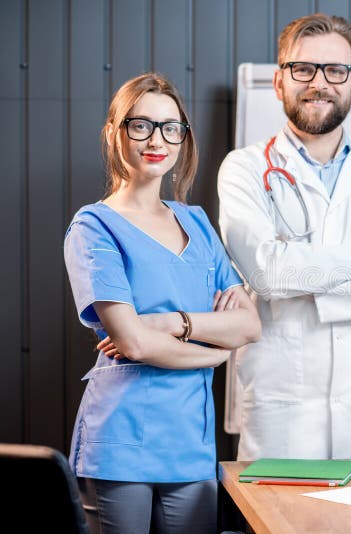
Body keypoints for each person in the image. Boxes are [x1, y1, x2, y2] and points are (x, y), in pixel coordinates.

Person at [217, 13, 351, 460]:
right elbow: (267, 273)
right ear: (279, 82)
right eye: (303, 69)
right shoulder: (245, 169)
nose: (320, 82)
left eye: (336, 70)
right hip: (283, 413)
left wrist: (310, 286)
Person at [63, 73, 261, 534]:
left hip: (190, 443)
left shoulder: (196, 221)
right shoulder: (95, 226)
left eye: (171, 128)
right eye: (142, 126)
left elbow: (248, 325)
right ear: (115, 131)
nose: (158, 140)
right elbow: (132, 343)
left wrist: (171, 322)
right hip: (120, 441)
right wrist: (216, 353)